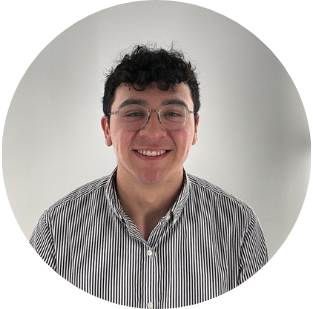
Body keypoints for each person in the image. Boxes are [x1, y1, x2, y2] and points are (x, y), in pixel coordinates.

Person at [30, 44, 268, 308]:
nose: (153, 132)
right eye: (134, 113)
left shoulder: (240, 227)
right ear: (107, 128)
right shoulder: (55, 229)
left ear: (195, 128)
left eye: (173, 114)